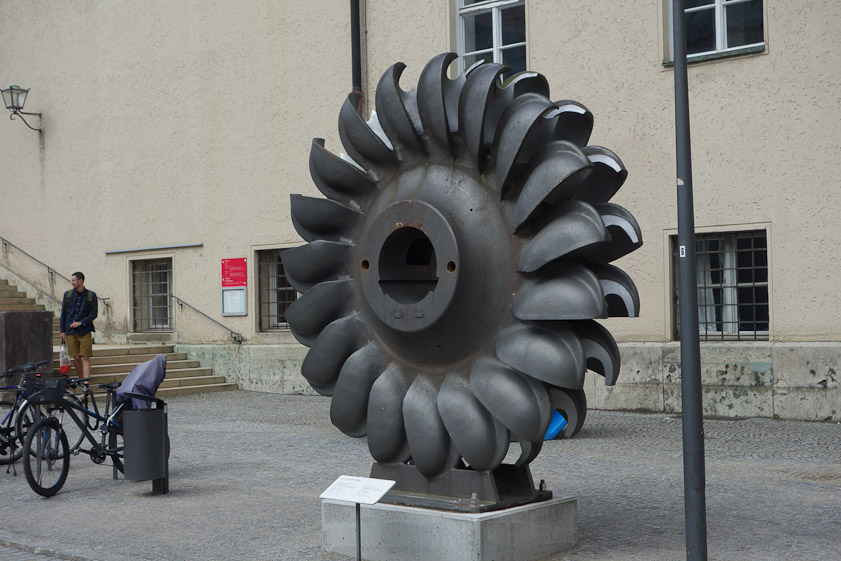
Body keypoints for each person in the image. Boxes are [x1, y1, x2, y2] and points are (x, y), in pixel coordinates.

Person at [59, 271, 98, 384]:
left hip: (84, 330)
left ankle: (86, 383)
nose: (72, 282)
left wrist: (80, 323)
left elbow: (93, 314)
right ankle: (81, 380)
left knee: (85, 357)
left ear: (80, 281)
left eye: (73, 280)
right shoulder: (68, 295)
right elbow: (63, 313)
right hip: (70, 330)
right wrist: (62, 330)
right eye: (71, 280)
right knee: (76, 357)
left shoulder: (91, 295)